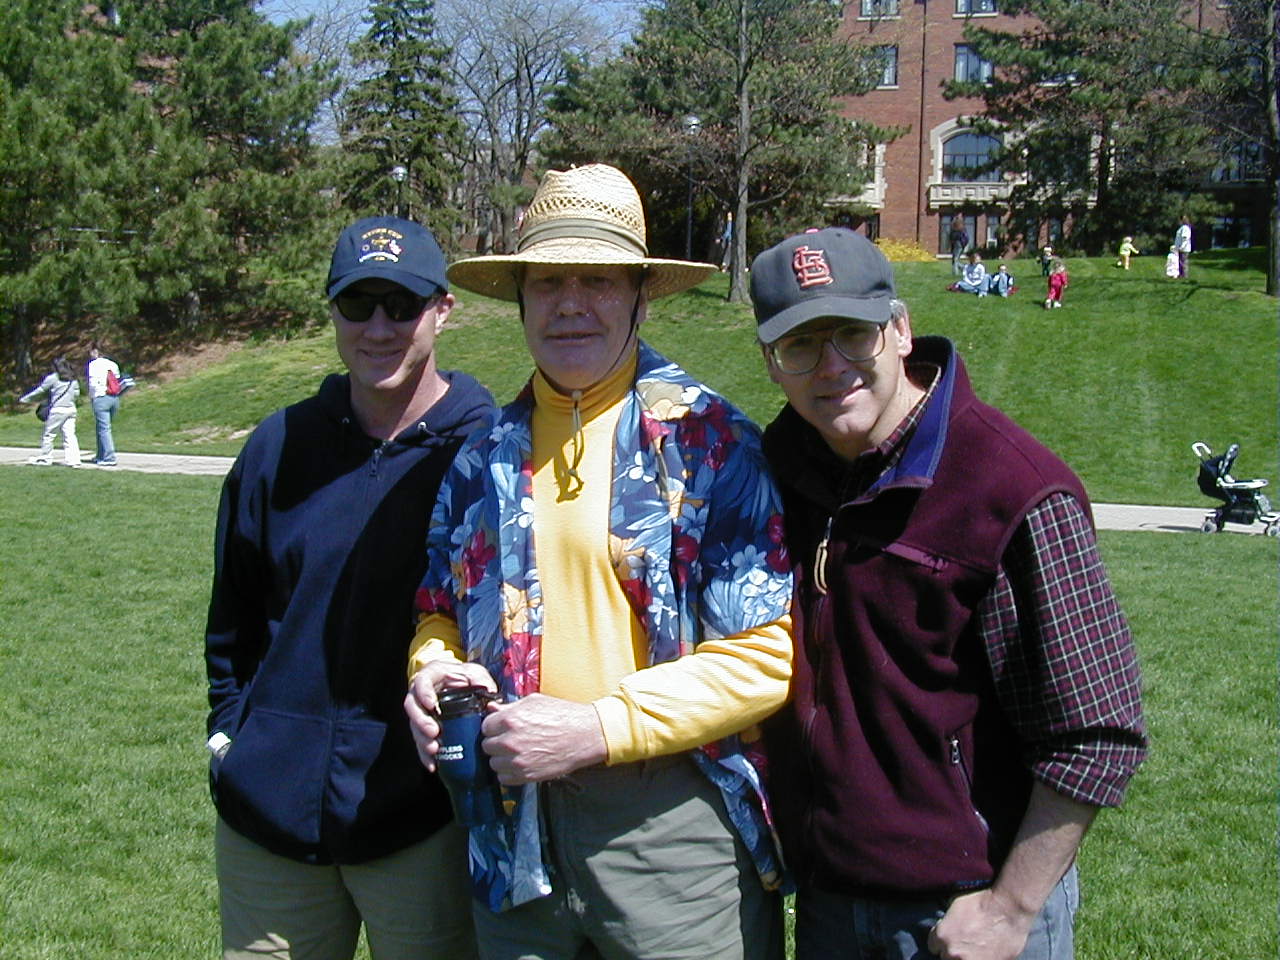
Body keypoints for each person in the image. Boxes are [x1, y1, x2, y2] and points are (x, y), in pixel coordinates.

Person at [404, 163, 793, 960]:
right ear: (520, 300)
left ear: (640, 294)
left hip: (669, 826)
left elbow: (768, 653)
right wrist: (431, 667)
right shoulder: (483, 457)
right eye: (547, 281)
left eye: (598, 280)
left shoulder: (711, 443)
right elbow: (439, 605)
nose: (571, 301)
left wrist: (598, 728)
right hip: (509, 828)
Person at [748, 227, 1147, 960]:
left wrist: (1011, 907)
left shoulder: (1012, 487)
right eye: (800, 345)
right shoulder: (776, 470)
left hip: (967, 914)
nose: (831, 367)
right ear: (772, 364)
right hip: (833, 904)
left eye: (851, 334)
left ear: (898, 330)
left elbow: (1098, 730)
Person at [204, 216, 495, 960]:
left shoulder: (486, 449)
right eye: (356, 303)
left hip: (421, 822)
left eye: (401, 304)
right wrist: (237, 735)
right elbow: (233, 615)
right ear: (331, 310)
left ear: (442, 309)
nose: (377, 327)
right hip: (269, 821)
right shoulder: (280, 444)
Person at [20, 356, 81, 466]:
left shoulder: (53, 378)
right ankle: (74, 460)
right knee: (70, 435)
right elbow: (76, 394)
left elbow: (41, 390)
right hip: (71, 409)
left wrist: (26, 399)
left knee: (49, 435)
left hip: (57, 409)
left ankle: (45, 458)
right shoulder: (73, 380)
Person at [85, 343, 121, 466]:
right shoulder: (113, 364)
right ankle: (101, 455)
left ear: (95, 351)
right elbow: (117, 380)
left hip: (101, 397)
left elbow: (93, 383)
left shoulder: (93, 364)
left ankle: (109, 457)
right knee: (102, 427)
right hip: (114, 398)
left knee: (104, 428)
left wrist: (91, 397)